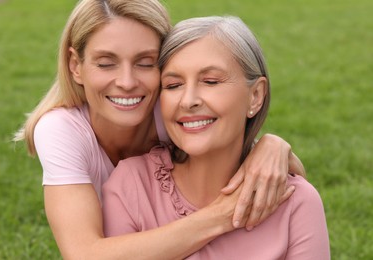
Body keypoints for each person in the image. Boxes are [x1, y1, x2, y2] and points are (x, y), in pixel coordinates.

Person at [14, 0, 306, 259]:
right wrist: (222, 215)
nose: (127, 82)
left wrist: (272, 145)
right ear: (75, 65)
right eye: (106, 63)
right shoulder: (60, 130)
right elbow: (84, 254)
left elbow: (290, 182)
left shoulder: (171, 111)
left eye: (145, 63)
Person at [102, 16, 330, 259]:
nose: (188, 100)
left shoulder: (296, 203)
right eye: (173, 85)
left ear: (255, 96)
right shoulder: (131, 187)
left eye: (210, 81)